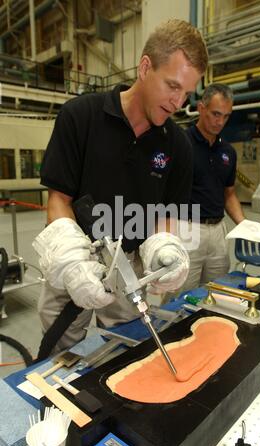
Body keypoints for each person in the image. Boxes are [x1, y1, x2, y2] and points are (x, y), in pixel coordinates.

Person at [32, 19, 208, 352]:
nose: (178, 101)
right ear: (145, 67)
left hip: (132, 268)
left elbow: (169, 215)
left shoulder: (178, 145)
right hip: (75, 258)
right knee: (59, 356)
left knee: (129, 351)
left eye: (186, 92)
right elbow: (58, 200)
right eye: (172, 85)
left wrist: (166, 251)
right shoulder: (80, 116)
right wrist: (72, 266)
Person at [178, 83, 245, 292]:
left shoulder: (228, 152)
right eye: (216, 114)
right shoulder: (180, 143)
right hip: (187, 228)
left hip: (218, 231)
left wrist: (244, 224)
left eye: (226, 116)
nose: (220, 122)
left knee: (217, 293)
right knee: (179, 297)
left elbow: (229, 194)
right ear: (201, 108)